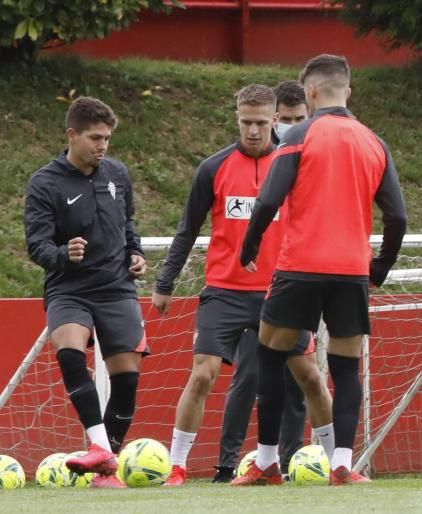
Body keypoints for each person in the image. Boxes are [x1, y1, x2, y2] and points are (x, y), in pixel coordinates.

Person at [233, 54, 407, 486]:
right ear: (347, 91)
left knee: (270, 357)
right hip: (351, 272)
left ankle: (267, 461)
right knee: (346, 370)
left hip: (300, 269)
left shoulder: (298, 136)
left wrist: (249, 248)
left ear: (309, 93)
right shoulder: (374, 142)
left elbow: (269, 200)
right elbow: (397, 217)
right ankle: (343, 464)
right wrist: (379, 267)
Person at [152, 84, 331, 487]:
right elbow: (187, 230)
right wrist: (165, 283)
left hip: (280, 292)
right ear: (237, 118)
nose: (253, 131)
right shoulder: (213, 168)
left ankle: (338, 464)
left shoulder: (293, 166)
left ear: (274, 121)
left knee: (311, 378)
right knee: (203, 375)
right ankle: (177, 467)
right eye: (246, 122)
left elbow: (313, 224)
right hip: (224, 291)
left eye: (261, 123)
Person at [24, 96, 148, 489]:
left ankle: (105, 466)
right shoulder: (45, 183)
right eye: (95, 137)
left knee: (127, 380)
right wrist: (64, 253)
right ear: (72, 135)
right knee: (70, 350)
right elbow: (36, 245)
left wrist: (136, 253)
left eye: (108, 138)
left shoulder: (118, 174)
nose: (103, 146)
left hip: (116, 288)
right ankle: (98, 444)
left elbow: (127, 223)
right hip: (70, 289)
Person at [213, 80, 313, 484]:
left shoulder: (307, 164)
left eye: (297, 119)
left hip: (294, 283)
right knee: (249, 374)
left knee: (300, 377)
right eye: (285, 120)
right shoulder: (224, 166)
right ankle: (227, 463)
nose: (289, 127)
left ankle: (294, 463)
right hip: (245, 289)